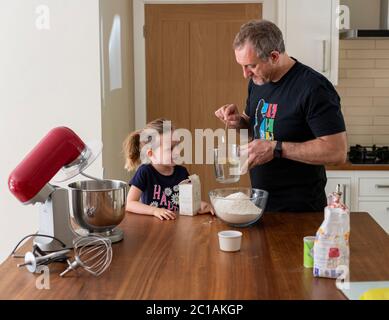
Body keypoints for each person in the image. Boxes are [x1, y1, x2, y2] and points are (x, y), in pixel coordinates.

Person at [215, 20, 347, 212]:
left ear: (274, 56)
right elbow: (257, 128)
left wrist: (276, 148)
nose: (245, 74)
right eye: (242, 66)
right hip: (260, 204)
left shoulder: (313, 88)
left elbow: (337, 151)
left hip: (300, 211)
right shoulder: (258, 81)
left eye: (250, 66)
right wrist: (238, 122)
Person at [123, 118, 214, 220]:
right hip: (152, 229)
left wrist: (200, 205)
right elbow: (130, 204)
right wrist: (155, 211)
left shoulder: (182, 172)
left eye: (177, 146)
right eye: (170, 148)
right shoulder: (145, 172)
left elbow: (189, 201)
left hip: (178, 227)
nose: (176, 151)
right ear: (151, 154)